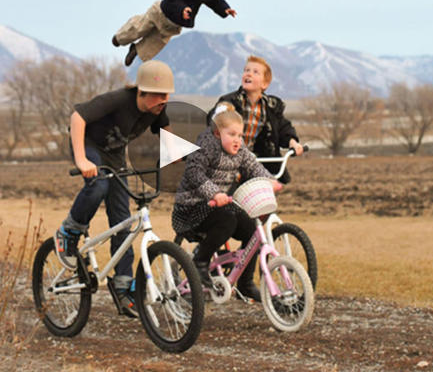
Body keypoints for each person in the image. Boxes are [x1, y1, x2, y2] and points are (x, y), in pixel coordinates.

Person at [54, 60, 175, 317]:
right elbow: (78, 118)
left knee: (123, 220)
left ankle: (122, 287)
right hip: (89, 147)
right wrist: (81, 160)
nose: (164, 100)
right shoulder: (119, 100)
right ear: (142, 92)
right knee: (99, 187)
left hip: (115, 156)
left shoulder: (157, 110)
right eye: (159, 95)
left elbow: (167, 134)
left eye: (167, 95)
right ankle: (69, 230)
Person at [171, 103, 281, 302]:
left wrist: (270, 180)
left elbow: (253, 166)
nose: (237, 140)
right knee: (227, 221)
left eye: (240, 135)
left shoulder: (239, 150)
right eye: (231, 134)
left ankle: (245, 283)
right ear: (216, 133)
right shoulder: (206, 147)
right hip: (191, 208)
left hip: (217, 206)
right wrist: (214, 193)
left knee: (251, 229)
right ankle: (200, 261)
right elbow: (194, 172)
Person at [208, 55, 304, 184]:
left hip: (257, 162)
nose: (249, 74)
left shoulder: (271, 107)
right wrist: (221, 112)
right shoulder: (230, 101)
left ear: (264, 84)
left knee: (261, 199)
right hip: (230, 160)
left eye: (255, 72)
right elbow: (215, 118)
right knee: (224, 197)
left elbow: (282, 128)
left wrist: (293, 143)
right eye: (246, 70)